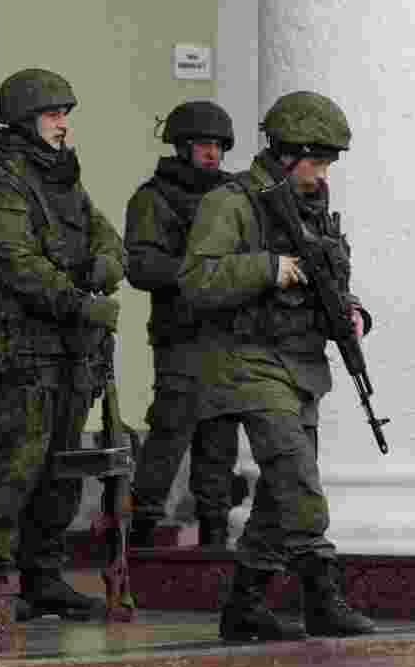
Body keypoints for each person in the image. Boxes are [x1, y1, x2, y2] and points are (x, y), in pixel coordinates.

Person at [179, 90, 376, 641]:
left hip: (301, 363)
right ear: (288, 153)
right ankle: (322, 594)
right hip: (247, 361)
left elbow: (336, 281)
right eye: (317, 161)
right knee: (298, 478)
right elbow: (197, 279)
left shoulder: (313, 211)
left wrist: (354, 313)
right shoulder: (233, 203)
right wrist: (270, 268)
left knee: (278, 492)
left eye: (329, 163)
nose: (324, 173)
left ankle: (245, 603)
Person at [0, 68, 124, 621]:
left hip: (71, 349)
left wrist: (105, 262)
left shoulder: (64, 177)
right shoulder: (1, 180)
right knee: (16, 463)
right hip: (24, 346)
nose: (62, 124)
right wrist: (79, 300)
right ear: (26, 118)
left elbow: (104, 235)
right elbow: (15, 261)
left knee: (61, 467)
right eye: (54, 114)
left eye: (66, 115)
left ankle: (43, 576)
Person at [125, 101, 242, 548]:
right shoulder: (155, 198)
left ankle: (214, 534)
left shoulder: (233, 197)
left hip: (227, 334)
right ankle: (141, 532)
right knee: (171, 433)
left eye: (217, 145)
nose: (211, 154)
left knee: (219, 439)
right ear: (182, 147)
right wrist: (197, 274)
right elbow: (141, 265)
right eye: (202, 145)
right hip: (181, 334)